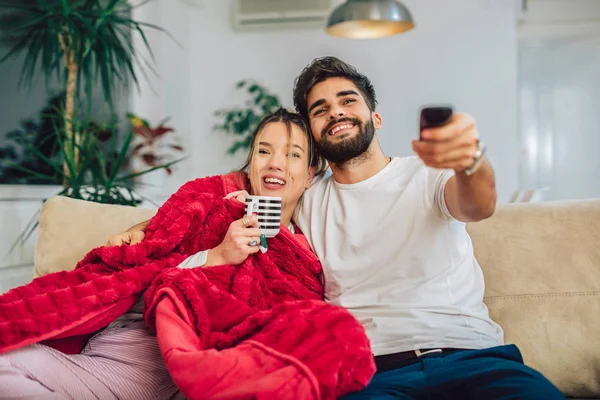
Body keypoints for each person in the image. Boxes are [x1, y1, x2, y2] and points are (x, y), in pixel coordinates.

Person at [117, 57, 565, 400]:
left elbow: (477, 203)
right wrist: (145, 225)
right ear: (312, 134)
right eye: (320, 109)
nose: (336, 112)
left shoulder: (426, 175)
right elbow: (223, 194)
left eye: (348, 101)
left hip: (475, 358)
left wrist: (469, 159)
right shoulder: (306, 201)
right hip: (372, 373)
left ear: (376, 116)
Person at [0, 108, 374, 400]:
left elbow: (270, 327)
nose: (274, 163)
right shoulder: (212, 205)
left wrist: (219, 259)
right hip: (97, 344)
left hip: (142, 364)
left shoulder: (302, 257)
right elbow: (153, 258)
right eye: (263, 151)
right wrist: (155, 235)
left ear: (310, 175)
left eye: (292, 155)